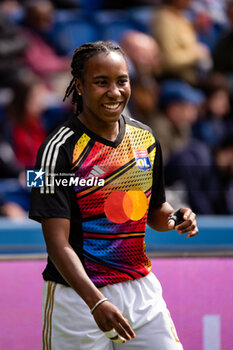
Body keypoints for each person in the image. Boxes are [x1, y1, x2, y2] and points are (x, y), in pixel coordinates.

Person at [29, 41, 198, 350]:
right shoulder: (57, 150)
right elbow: (56, 242)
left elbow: (155, 209)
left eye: (122, 81)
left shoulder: (145, 138)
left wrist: (176, 218)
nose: (115, 91)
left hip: (140, 293)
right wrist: (96, 302)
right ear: (79, 86)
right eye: (101, 82)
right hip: (78, 299)